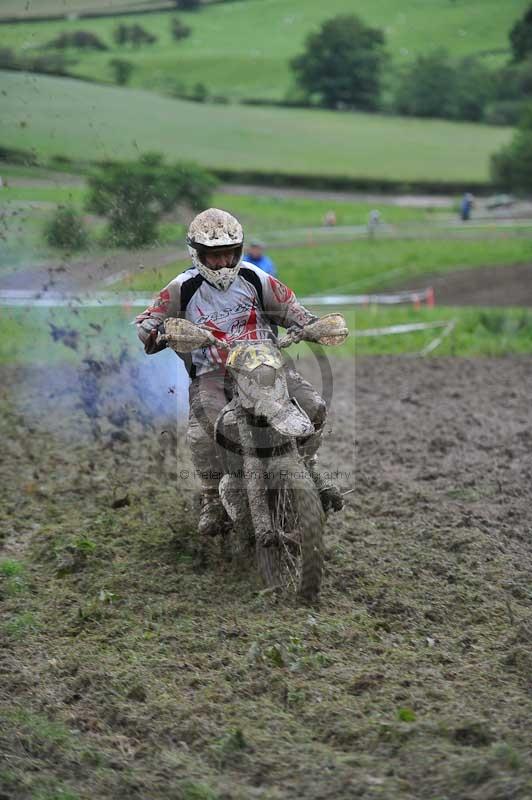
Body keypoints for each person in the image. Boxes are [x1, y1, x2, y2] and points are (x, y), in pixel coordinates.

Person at [135, 208, 343, 537]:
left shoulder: (255, 279)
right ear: (197, 254)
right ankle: (211, 498)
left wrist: (311, 325)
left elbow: (292, 309)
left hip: (266, 367)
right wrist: (157, 333)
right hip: (213, 374)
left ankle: (309, 467)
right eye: (213, 256)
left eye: (229, 254)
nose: (222, 263)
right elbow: (147, 322)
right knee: (203, 433)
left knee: (314, 406)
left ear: (239, 250)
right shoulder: (181, 289)